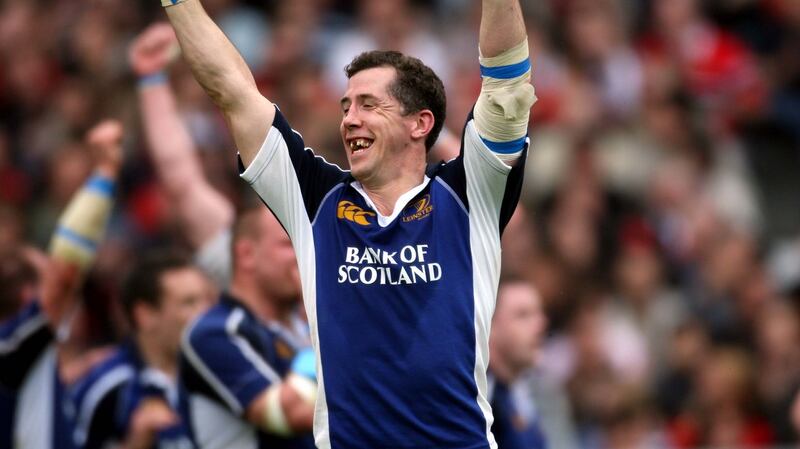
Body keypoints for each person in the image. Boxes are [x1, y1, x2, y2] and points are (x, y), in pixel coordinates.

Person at [161, 0, 536, 446]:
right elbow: (231, 90)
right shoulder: (314, 201)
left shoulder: (469, 193)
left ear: (420, 123)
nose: (349, 120)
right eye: (345, 107)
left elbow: (506, 85)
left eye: (368, 105)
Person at [0, 120, 123, 448]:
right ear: (28, 295)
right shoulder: (11, 344)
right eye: (42, 275)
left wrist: (78, 369)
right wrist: (105, 171)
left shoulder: (18, 355)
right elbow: (65, 273)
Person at [178, 206, 317, 448]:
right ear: (247, 255)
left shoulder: (299, 325)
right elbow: (289, 414)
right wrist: (320, 331)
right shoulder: (215, 332)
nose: (305, 254)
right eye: (289, 243)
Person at [70, 250, 213, 449]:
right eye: (189, 303)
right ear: (145, 315)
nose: (207, 314)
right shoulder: (107, 386)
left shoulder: (216, 373)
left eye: (208, 301)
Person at [488, 280, 548, 449]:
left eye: (539, 314)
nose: (541, 325)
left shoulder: (535, 391)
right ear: (490, 325)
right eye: (523, 315)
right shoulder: (473, 396)